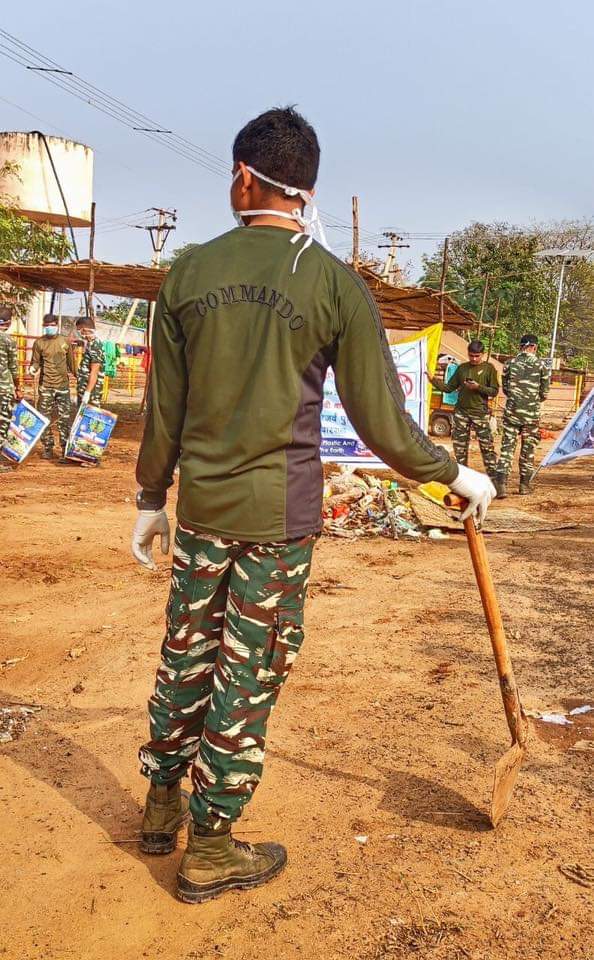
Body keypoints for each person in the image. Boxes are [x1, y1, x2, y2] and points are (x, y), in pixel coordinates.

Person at [131, 107, 495, 905]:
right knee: (247, 671)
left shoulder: (188, 272)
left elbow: (164, 412)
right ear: (307, 188)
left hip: (202, 514)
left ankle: (161, 805)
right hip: (278, 521)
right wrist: (454, 476)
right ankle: (211, 848)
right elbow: (381, 421)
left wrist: (151, 498)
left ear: (243, 178)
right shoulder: (333, 283)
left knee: (186, 651)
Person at [428, 340, 499, 479]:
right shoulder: (462, 368)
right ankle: (463, 477)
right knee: (460, 448)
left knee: (487, 448)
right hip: (461, 413)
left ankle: (494, 479)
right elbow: (449, 388)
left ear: (482, 354)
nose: (474, 359)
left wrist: (478, 387)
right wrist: (433, 380)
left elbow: (494, 391)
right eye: (471, 355)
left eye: (477, 356)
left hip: (480, 413)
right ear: (468, 353)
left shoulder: (489, 369)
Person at [495, 333, 551, 496]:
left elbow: (506, 389)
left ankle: (501, 486)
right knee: (528, 450)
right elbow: (544, 393)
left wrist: (516, 398)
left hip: (512, 413)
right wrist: (532, 400)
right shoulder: (542, 366)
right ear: (535, 347)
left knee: (507, 449)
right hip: (531, 415)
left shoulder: (509, 364)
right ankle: (524, 486)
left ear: (520, 347)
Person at [29, 314, 76, 462]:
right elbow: (35, 362)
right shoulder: (39, 343)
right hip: (46, 386)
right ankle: (47, 448)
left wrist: (80, 378)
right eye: (47, 325)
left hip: (63, 386)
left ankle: (65, 450)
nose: (50, 327)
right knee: (44, 418)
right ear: (44, 326)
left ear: (57, 325)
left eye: (52, 325)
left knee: (64, 419)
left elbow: (72, 363)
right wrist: (33, 368)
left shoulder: (65, 341)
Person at [0, 305, 20, 472]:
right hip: (4, 388)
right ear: (8, 322)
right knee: (2, 423)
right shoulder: (8, 341)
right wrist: (18, 387)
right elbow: (14, 368)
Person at [75, 316, 104, 407]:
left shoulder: (95, 345)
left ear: (84, 330)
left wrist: (87, 393)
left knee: (89, 415)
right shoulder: (89, 344)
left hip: (92, 392)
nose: (78, 333)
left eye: (78, 330)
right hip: (84, 388)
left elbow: (94, 372)